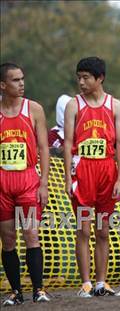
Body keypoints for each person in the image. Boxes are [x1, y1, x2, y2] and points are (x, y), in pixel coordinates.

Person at [63, 57, 120, 297]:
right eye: (79, 77)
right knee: (84, 230)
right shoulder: (74, 104)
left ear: (100, 78)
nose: (81, 82)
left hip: (107, 171)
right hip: (83, 171)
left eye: (86, 77)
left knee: (102, 231)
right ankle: (86, 283)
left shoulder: (115, 105)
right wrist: (69, 179)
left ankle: (102, 282)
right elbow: (68, 142)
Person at [0, 63, 50, 305]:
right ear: (2, 85)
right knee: (8, 238)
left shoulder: (34, 109)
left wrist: (44, 184)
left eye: (22, 79)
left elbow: (43, 147)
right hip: (2, 183)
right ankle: (15, 292)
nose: (21, 84)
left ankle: (38, 290)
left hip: (28, 180)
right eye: (15, 80)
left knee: (31, 234)